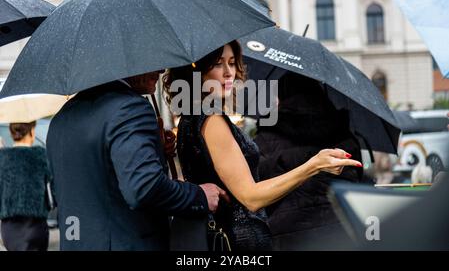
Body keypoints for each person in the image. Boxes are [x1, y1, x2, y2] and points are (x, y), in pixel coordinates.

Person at [163, 41, 363, 251]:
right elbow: (251, 197)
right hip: (234, 242)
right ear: (198, 70)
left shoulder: (191, 117)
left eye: (232, 63)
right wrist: (314, 165)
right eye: (218, 64)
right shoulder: (211, 120)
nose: (228, 72)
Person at [46, 72, 227, 251]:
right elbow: (144, 187)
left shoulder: (62, 118)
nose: (162, 70)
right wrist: (199, 195)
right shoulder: (129, 108)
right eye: (154, 59)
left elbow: (87, 184)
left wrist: (155, 151)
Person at [254, 72, 364, 250]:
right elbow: (356, 181)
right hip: (341, 232)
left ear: (282, 95)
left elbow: (257, 190)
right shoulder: (342, 132)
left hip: (286, 237)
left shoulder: (266, 138)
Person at [0, 121, 52, 251]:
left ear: (12, 133)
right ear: (32, 131)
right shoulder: (40, 155)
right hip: (35, 225)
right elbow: (52, 184)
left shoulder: (2, 158)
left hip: (9, 228)